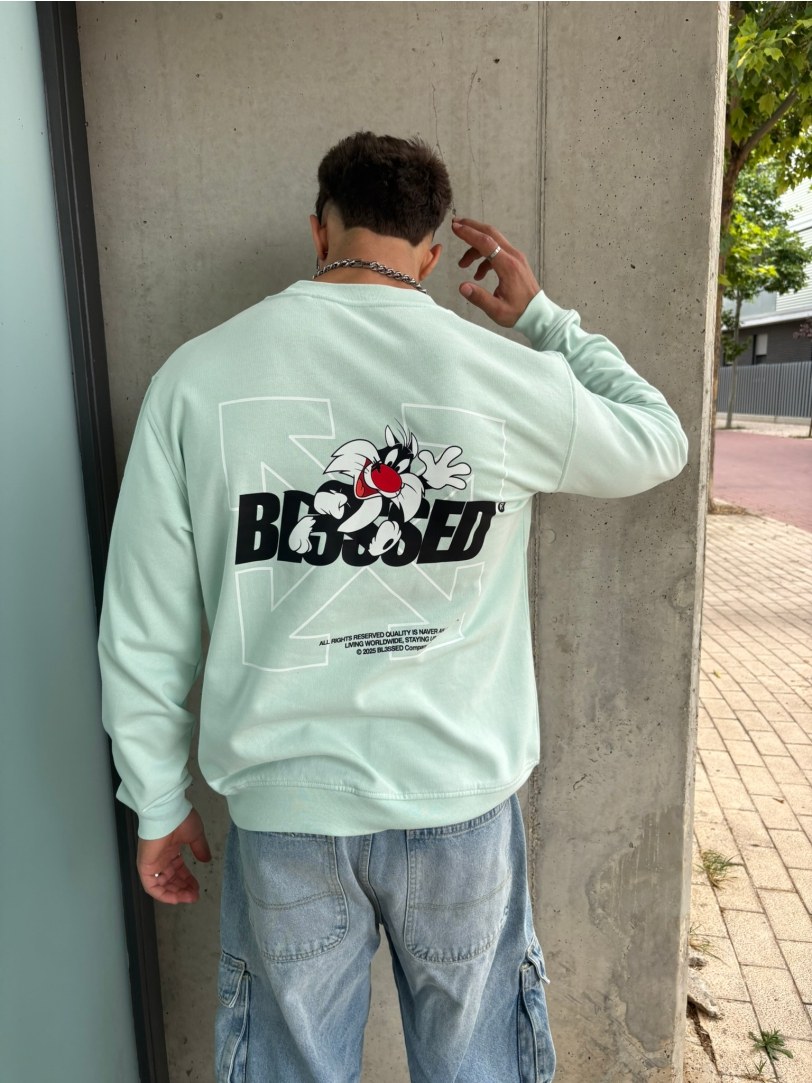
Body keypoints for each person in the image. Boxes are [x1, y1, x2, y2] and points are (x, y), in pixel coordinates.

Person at [98, 131, 689, 1083]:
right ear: (429, 253)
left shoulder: (196, 380)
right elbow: (659, 439)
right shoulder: (500, 376)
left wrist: (158, 803)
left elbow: (143, 627)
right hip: (459, 807)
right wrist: (544, 321)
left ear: (319, 229)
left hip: (286, 812)